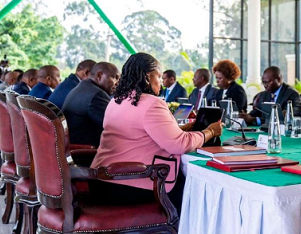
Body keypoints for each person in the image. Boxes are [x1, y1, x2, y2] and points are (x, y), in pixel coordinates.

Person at [91, 53, 223, 211]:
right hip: (129, 184)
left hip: (101, 182)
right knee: (192, 193)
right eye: (159, 76)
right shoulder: (152, 103)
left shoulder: (116, 101)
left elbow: (140, 134)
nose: (161, 82)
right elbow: (179, 145)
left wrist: (180, 129)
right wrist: (209, 132)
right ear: (148, 77)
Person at [62, 62, 120, 148]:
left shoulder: (83, 87)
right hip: (87, 152)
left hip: (74, 148)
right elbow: (116, 126)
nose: (117, 83)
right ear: (99, 75)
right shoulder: (97, 95)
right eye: (115, 78)